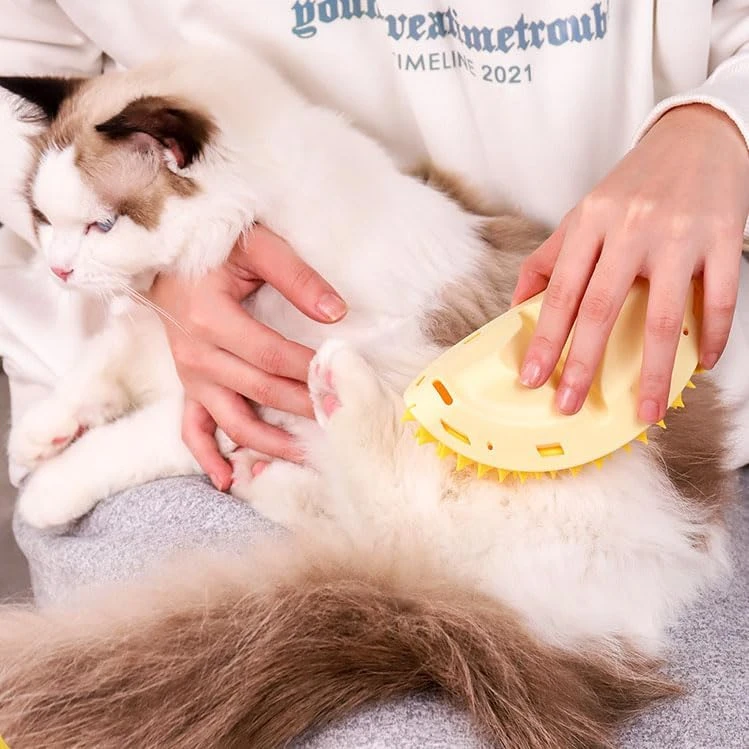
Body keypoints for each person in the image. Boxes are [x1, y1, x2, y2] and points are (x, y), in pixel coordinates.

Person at [1, 2, 748, 746]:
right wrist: (168, 275)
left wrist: (722, 125)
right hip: (242, 423)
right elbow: (23, 66)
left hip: (635, 412)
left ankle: (369, 504)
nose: (66, 257)